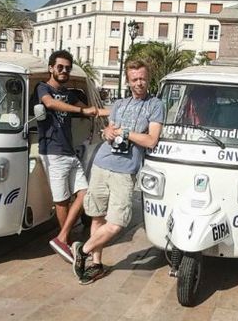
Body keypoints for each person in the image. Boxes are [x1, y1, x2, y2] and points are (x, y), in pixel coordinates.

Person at [72, 59, 164, 285]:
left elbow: (151, 140)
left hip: (125, 171)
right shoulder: (120, 104)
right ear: (128, 81)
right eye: (135, 79)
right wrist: (108, 134)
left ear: (148, 77)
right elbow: (108, 132)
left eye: (142, 78)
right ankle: (96, 264)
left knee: (118, 223)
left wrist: (126, 132)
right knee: (97, 216)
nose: (139, 83)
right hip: (102, 164)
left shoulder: (155, 105)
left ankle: (82, 250)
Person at [36, 50, 99, 263]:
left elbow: (90, 110)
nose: (64, 71)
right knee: (62, 200)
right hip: (52, 152)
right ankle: (66, 241)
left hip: (68, 151)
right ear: (51, 68)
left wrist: (117, 111)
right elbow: (50, 104)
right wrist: (81, 112)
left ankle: (62, 238)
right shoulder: (43, 88)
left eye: (67, 68)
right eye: (60, 67)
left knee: (85, 192)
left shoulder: (69, 93)